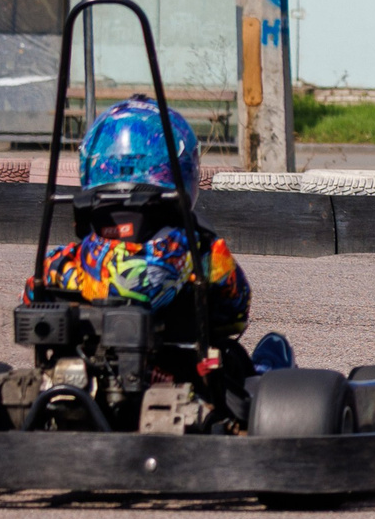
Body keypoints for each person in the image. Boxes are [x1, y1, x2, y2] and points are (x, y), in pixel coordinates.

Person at [28, 95, 251, 346]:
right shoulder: (199, 252)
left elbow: (31, 300)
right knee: (271, 348)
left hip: (84, 375)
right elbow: (236, 310)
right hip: (176, 369)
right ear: (180, 166)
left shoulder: (68, 263)